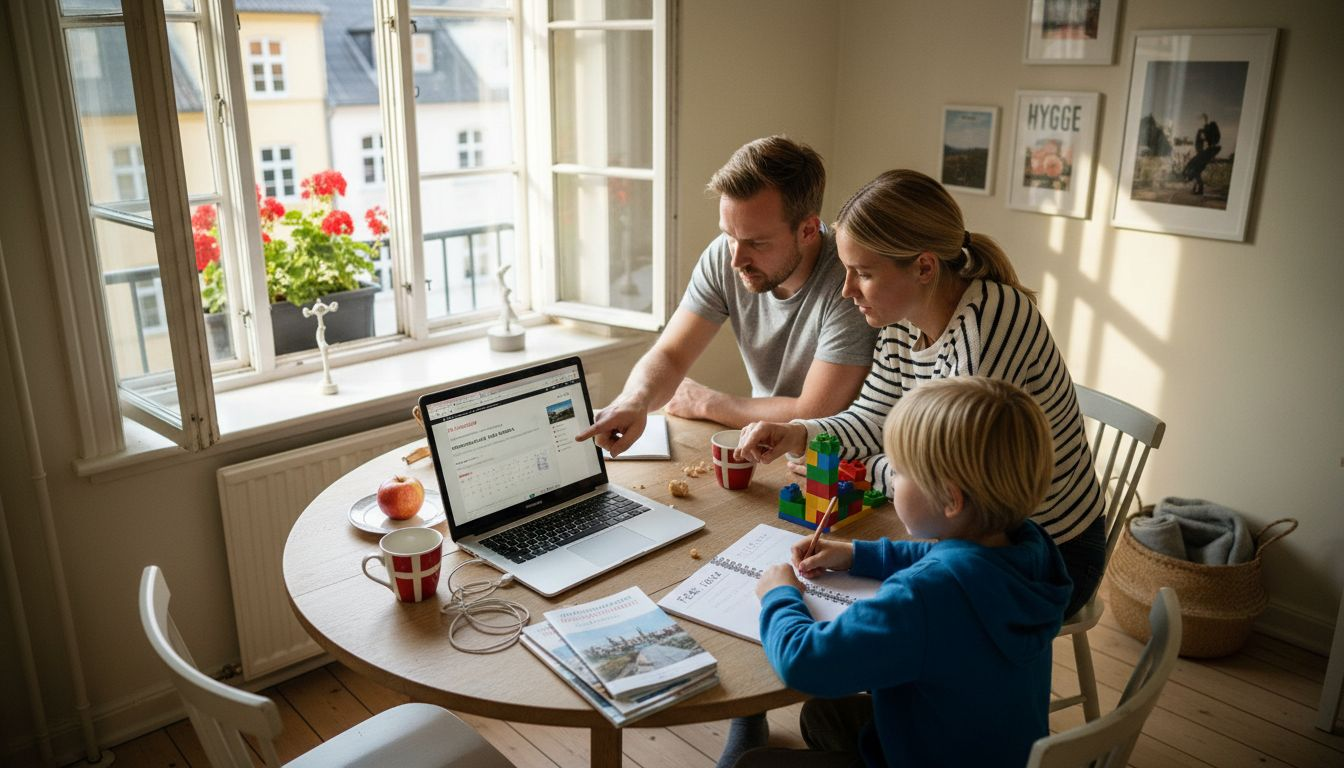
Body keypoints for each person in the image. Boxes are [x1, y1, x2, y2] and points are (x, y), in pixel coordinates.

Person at [736, 169, 1105, 620]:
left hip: (1046, 553)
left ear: (924, 267)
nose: (847, 290)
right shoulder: (899, 322)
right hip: (967, 539)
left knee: (895, 624)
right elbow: (873, 418)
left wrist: (860, 467)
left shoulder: (991, 324)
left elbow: (950, 483)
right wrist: (799, 433)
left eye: (863, 273)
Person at [731, 377, 1073, 767]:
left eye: (898, 472)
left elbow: (803, 662)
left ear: (950, 499)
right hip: (994, 749)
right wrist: (858, 554)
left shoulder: (924, 597)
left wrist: (779, 595)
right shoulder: (1031, 547)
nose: (891, 479)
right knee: (823, 715)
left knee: (752, 763)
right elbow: (948, 557)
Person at [576, 136, 877, 456]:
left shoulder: (850, 282)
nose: (736, 260)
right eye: (729, 235)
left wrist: (708, 403)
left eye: (757, 243)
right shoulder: (727, 255)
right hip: (763, 446)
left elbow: (814, 413)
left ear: (807, 230)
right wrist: (634, 401)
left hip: (837, 460)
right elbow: (671, 355)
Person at [1183, 113, 1222, 195]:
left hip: (1205, 155)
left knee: (1195, 169)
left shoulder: (1209, 139)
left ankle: (1198, 188)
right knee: (1195, 169)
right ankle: (1196, 187)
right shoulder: (1206, 136)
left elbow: (1208, 139)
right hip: (1204, 154)